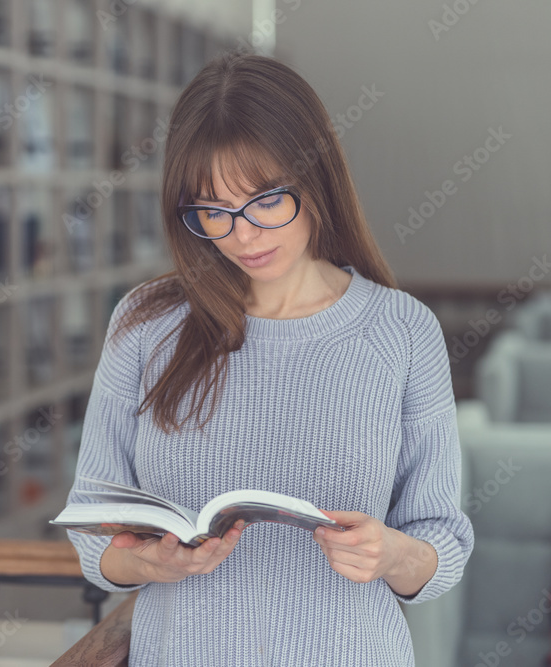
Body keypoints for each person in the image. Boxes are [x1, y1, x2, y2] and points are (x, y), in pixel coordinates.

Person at [65, 52, 474, 666]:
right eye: (213, 212)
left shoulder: (401, 330)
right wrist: (145, 560)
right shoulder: (145, 324)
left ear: (318, 180)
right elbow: (92, 527)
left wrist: (392, 554)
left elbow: (441, 540)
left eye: (265, 201)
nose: (244, 236)